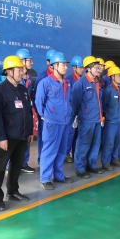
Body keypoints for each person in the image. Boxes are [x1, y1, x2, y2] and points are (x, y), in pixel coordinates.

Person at [0, 55, 34, 211]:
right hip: (7, 137)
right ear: (9, 72)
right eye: (19, 69)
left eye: (22, 69)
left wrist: (30, 131)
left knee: (16, 166)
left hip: (22, 135)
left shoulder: (23, 90)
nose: (22, 72)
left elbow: (28, 112)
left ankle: (13, 191)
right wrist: (1, 137)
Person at [35, 52, 74, 190]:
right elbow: (39, 102)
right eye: (63, 65)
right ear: (54, 66)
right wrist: (46, 116)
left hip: (65, 122)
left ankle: (58, 175)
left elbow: (68, 101)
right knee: (49, 150)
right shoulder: (45, 82)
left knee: (62, 150)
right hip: (51, 122)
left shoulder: (67, 82)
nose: (66, 67)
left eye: (66, 65)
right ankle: (45, 178)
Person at [71, 56, 104, 178]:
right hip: (86, 120)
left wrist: (101, 117)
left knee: (95, 144)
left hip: (97, 119)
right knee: (83, 144)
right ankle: (80, 169)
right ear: (88, 68)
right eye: (96, 67)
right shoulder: (80, 83)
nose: (98, 69)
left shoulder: (97, 82)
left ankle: (92, 165)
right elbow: (74, 102)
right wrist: (78, 115)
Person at [32, 48, 56, 165]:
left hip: (56, 116)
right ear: (47, 62)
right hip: (45, 115)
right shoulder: (42, 77)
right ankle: (42, 159)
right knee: (44, 138)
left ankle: (52, 160)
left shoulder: (61, 78)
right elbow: (37, 98)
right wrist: (40, 113)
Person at [15, 48, 36, 173]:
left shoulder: (29, 78)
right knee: (15, 140)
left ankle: (23, 163)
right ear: (22, 61)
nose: (31, 62)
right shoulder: (16, 79)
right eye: (29, 60)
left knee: (27, 137)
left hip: (27, 112)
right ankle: (10, 165)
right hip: (16, 114)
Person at [101, 66, 120, 170]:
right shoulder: (108, 90)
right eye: (118, 76)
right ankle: (105, 162)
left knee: (117, 141)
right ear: (112, 77)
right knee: (109, 142)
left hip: (119, 120)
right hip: (111, 121)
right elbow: (104, 105)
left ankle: (114, 159)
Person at [65, 56, 84, 163]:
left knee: (78, 134)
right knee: (70, 133)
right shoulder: (69, 80)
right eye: (80, 67)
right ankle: (66, 153)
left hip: (80, 111)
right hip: (71, 112)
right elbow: (68, 97)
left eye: (82, 67)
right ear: (74, 68)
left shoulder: (83, 80)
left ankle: (75, 153)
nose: (82, 69)